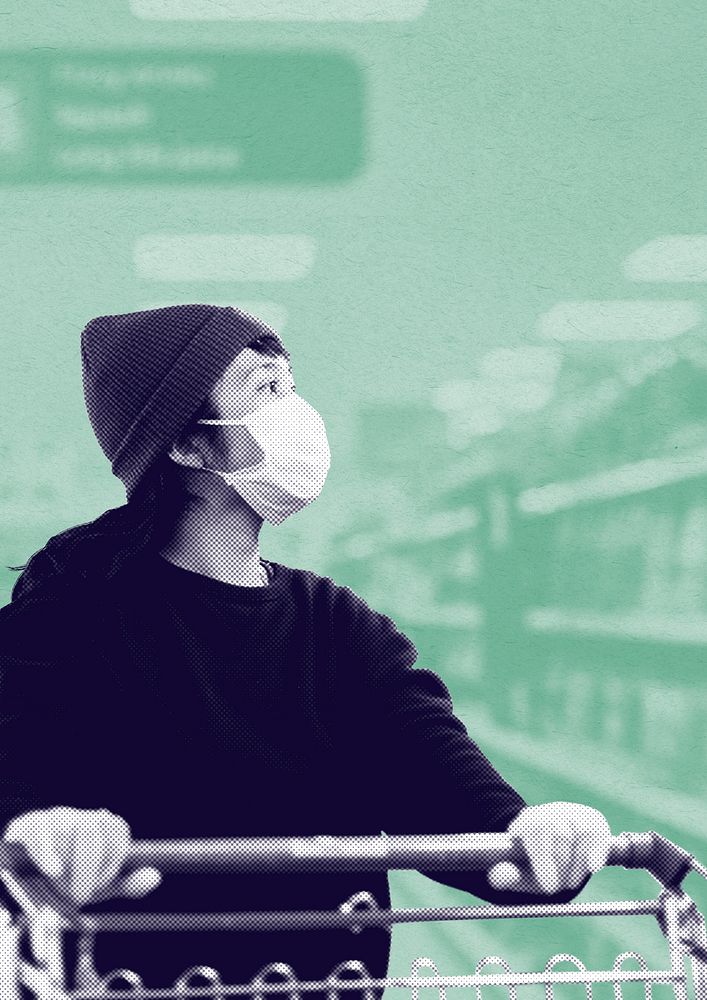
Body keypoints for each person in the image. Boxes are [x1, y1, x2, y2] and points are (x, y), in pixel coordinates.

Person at [0, 305, 611, 992]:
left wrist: (539, 833)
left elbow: (448, 798)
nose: (295, 411)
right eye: (264, 389)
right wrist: (43, 831)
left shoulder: (336, 627)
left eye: (290, 387)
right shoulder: (61, 626)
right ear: (189, 446)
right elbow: (21, 773)